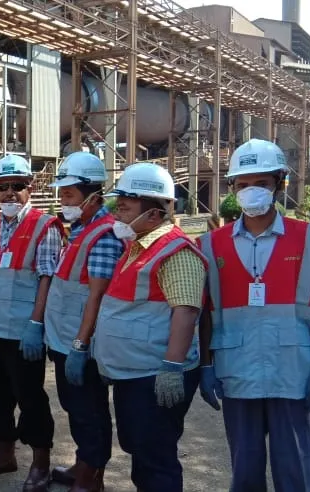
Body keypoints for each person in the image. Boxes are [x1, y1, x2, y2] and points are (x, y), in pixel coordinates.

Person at [197, 138, 310, 492]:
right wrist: (206, 365)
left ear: (280, 184)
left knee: (295, 471)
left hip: (292, 372)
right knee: (244, 471)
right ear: (232, 188)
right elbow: (206, 312)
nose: (252, 191)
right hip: (237, 371)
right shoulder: (210, 244)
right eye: (243, 184)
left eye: (261, 183)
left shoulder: (307, 239)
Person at [93, 162, 207, 492]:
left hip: (155, 375)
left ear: (155, 213)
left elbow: (186, 311)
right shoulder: (138, 245)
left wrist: (172, 367)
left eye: (126, 205)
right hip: (134, 373)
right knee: (140, 450)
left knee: (156, 457)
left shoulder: (175, 251)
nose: (118, 210)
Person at [0, 154, 65, 490]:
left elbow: (46, 278)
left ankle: (40, 463)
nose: (9, 192)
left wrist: (36, 324)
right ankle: (3, 454)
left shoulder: (44, 226)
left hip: (22, 332)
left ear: (30, 188)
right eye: (3, 186)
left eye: (17, 186)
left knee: (30, 397)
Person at [43, 152, 123, 491]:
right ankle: (83, 463)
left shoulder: (104, 235)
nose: (64, 201)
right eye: (62, 194)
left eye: (69, 194)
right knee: (74, 406)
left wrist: (81, 344)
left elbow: (97, 295)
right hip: (65, 337)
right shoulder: (79, 229)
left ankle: (93, 475)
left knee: (90, 410)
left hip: (81, 342)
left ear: (93, 196)